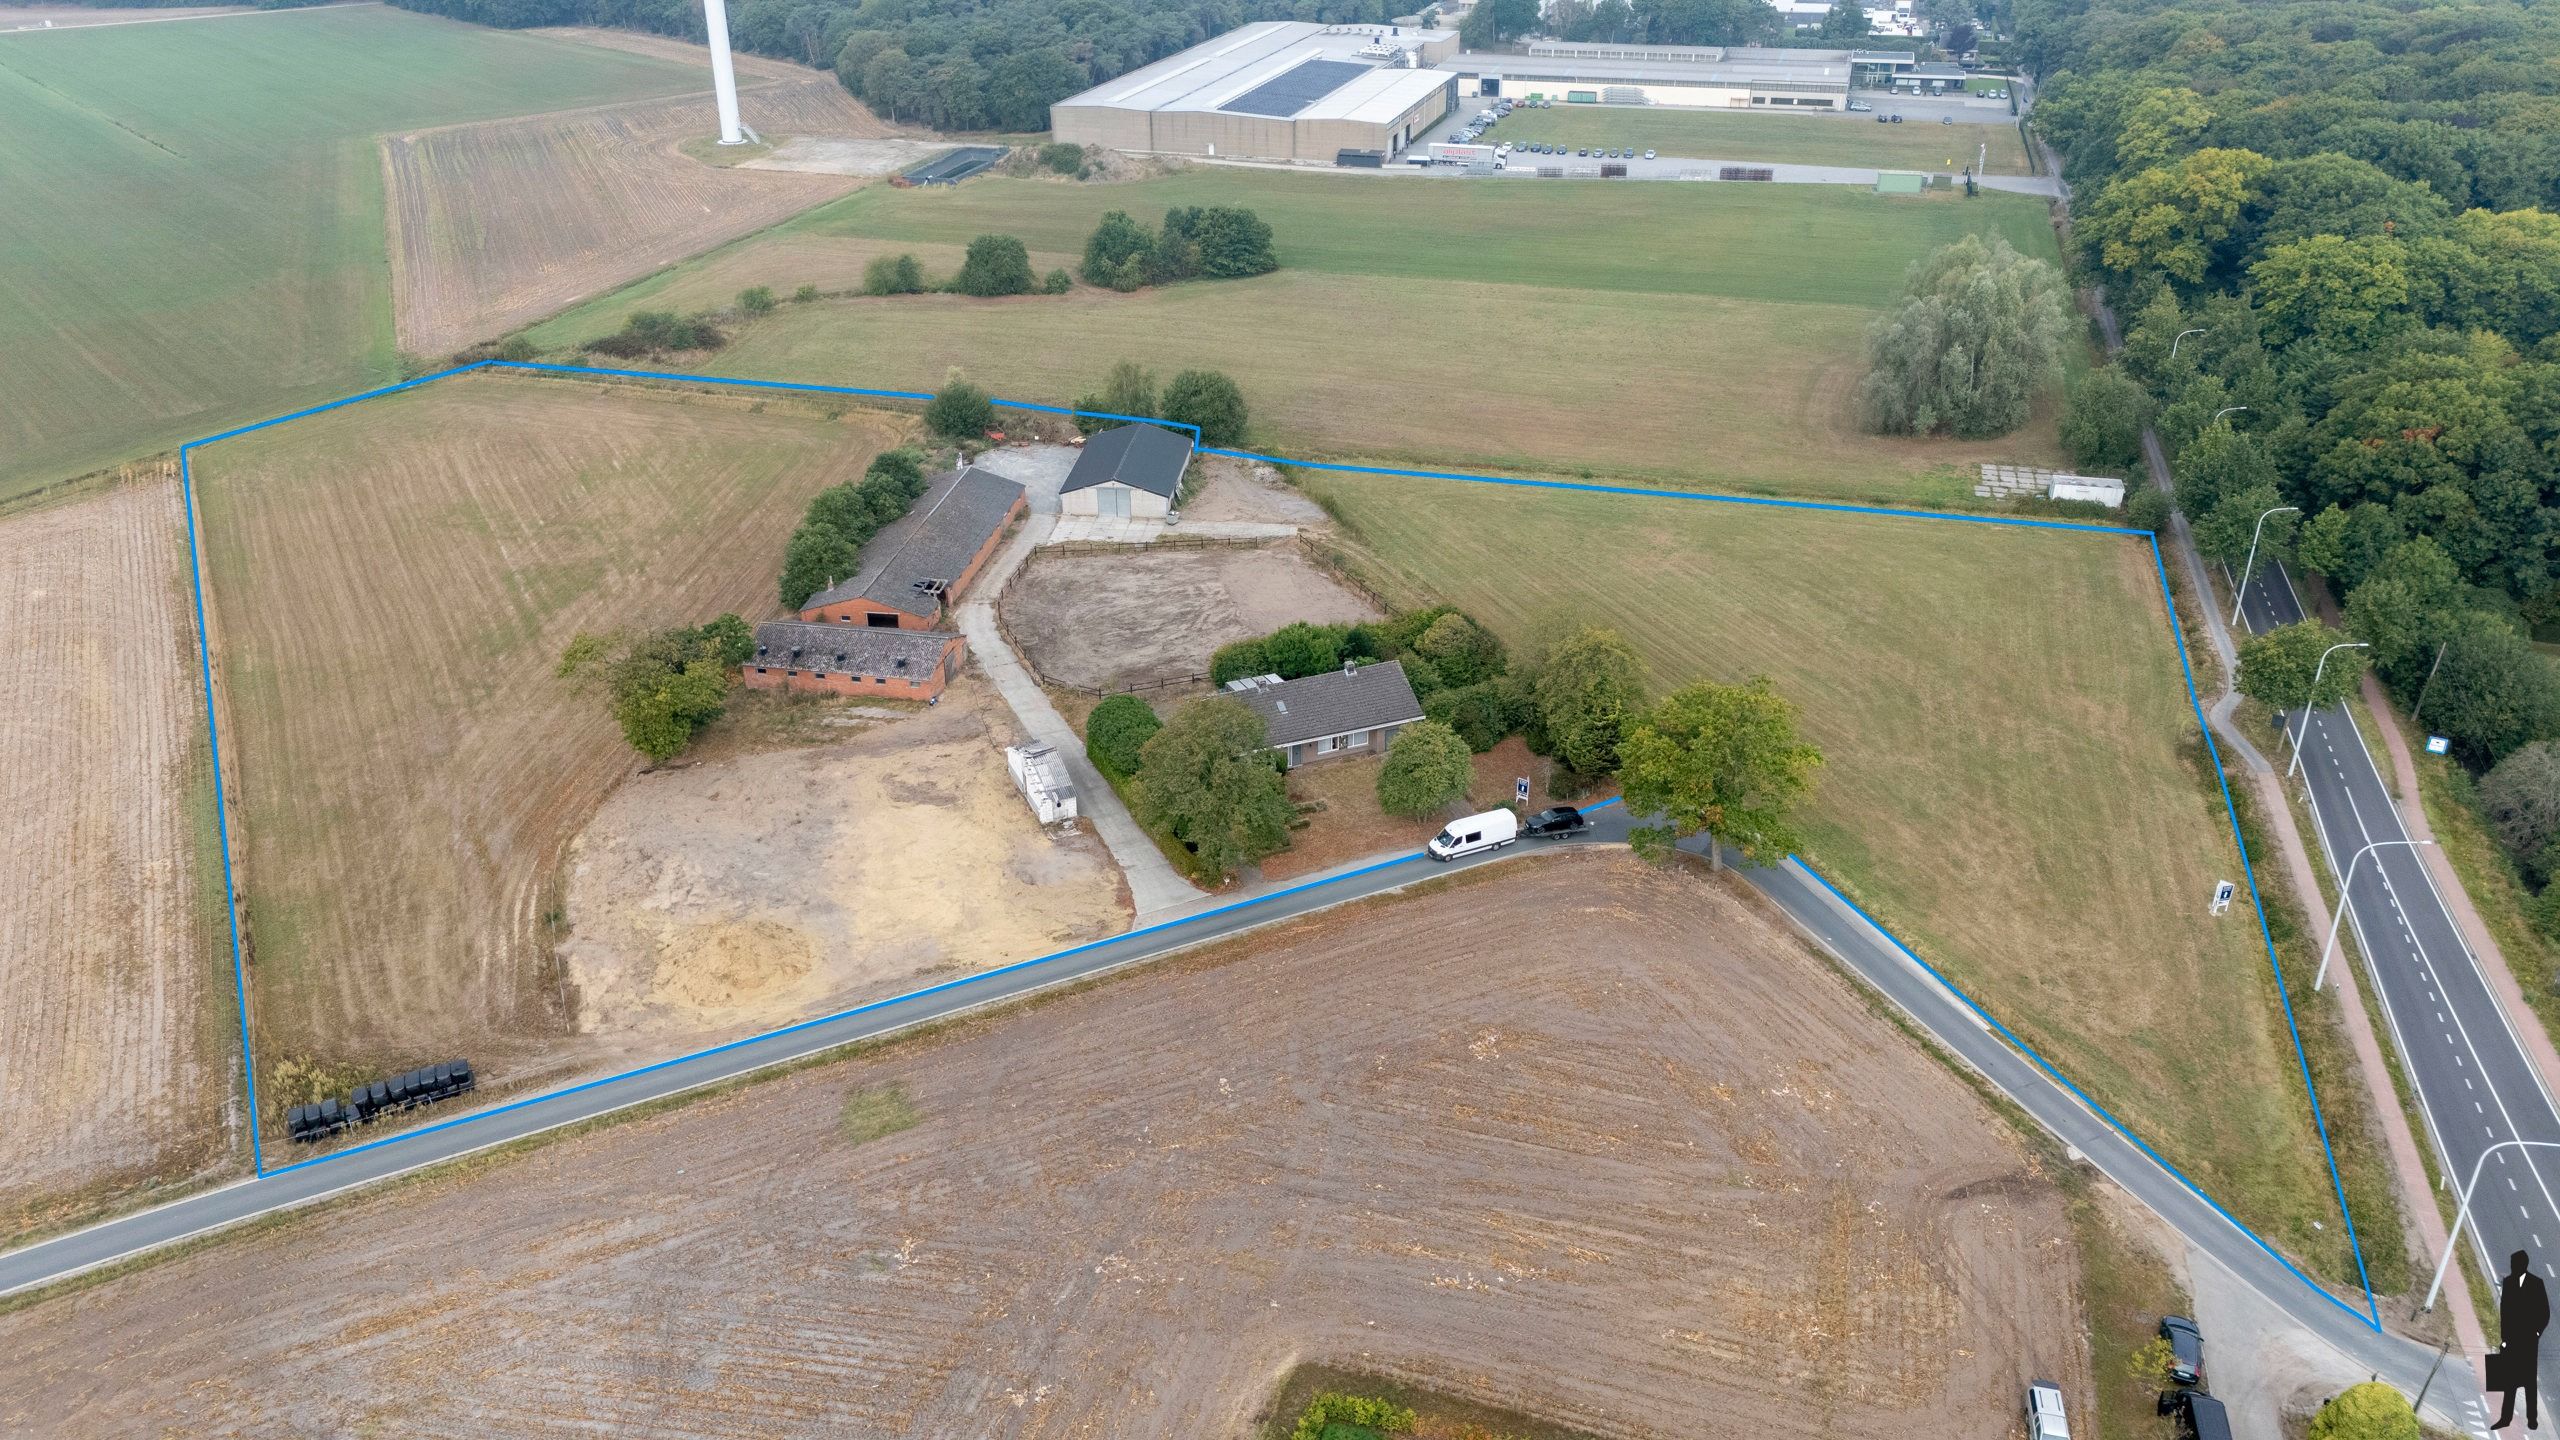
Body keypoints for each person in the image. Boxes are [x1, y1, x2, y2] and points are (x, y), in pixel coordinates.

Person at [2497, 1249, 2550, 1430]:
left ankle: (2532, 1419)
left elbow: (2545, 1313)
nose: (2512, 1267)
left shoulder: (2536, 1284)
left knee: (2528, 1383)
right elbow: (2504, 1313)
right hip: (2512, 1340)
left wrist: (2536, 1333)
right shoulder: (2509, 1283)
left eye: (2514, 1264)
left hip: (2528, 1342)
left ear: (2522, 1265)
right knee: (2509, 1382)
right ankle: (2505, 1418)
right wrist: (2504, 1338)